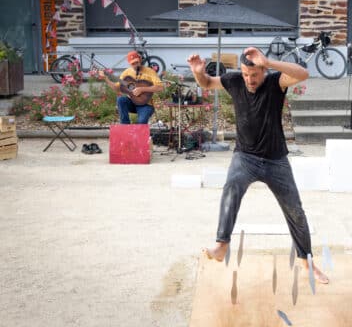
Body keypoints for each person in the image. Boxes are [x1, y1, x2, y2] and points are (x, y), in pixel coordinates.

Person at [187, 47, 329, 284]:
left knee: (295, 211)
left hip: (276, 160)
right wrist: (198, 72)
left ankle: (307, 262)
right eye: (245, 74)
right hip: (245, 157)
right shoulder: (234, 81)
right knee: (231, 187)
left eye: (254, 75)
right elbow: (208, 83)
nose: (249, 80)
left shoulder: (275, 82)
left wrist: (269, 62)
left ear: (264, 71)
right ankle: (221, 245)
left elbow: (303, 74)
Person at [100, 50, 164, 124]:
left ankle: (139, 128)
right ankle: (125, 126)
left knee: (141, 123)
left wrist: (142, 89)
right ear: (129, 64)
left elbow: (160, 87)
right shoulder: (126, 73)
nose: (136, 65)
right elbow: (116, 88)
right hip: (132, 103)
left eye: (137, 62)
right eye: (133, 63)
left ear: (140, 60)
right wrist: (106, 79)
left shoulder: (150, 71)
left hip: (146, 104)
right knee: (120, 99)